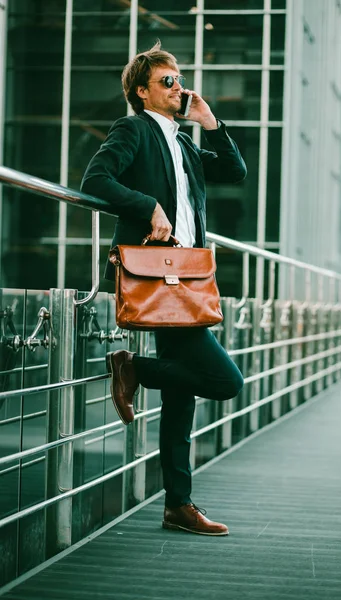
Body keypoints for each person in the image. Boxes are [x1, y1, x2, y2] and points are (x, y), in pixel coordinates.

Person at [81, 41, 247, 537]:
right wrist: (147, 205)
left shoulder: (185, 142)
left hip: (188, 276)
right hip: (157, 273)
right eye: (167, 82)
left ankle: (179, 504)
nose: (178, 88)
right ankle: (132, 367)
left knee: (182, 392)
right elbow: (96, 178)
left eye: (180, 79)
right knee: (224, 381)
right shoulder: (133, 129)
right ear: (141, 92)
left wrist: (209, 120)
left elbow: (235, 172)